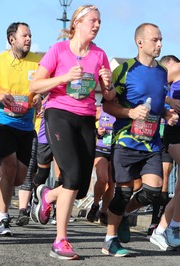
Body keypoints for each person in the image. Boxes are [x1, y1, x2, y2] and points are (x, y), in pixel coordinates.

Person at [30, 5, 115, 260]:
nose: (97, 25)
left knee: (77, 187)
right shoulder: (58, 50)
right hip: (59, 114)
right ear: (77, 22)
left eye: (99, 21)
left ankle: (48, 194)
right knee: (72, 174)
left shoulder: (99, 55)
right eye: (92, 20)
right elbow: (35, 85)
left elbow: (108, 97)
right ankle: (60, 241)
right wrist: (64, 77)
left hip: (87, 117)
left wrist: (108, 85)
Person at [101, 23, 178, 257]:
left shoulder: (162, 72)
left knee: (153, 190)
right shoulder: (124, 70)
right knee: (123, 193)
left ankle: (124, 214)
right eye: (155, 40)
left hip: (152, 142)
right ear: (140, 42)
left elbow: (156, 102)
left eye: (161, 39)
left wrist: (166, 113)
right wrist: (130, 113)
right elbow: (108, 104)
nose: (160, 44)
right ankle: (110, 240)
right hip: (126, 140)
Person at [0, 22, 42, 236]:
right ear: (11, 39)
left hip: (26, 125)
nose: (28, 39)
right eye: (24, 35)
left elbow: (44, 87)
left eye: (30, 36)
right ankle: (3, 219)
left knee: (18, 177)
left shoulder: (37, 61)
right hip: (2, 122)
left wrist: (40, 98)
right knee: (9, 165)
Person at [149, 54, 180, 250]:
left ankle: (165, 229)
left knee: (178, 190)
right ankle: (169, 228)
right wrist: (168, 99)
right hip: (175, 132)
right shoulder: (164, 74)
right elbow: (151, 92)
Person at [86, 105, 115, 225]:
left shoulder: (123, 110)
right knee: (103, 179)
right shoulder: (100, 110)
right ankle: (95, 204)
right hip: (100, 149)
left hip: (115, 150)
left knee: (111, 184)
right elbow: (88, 126)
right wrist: (97, 131)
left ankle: (104, 211)